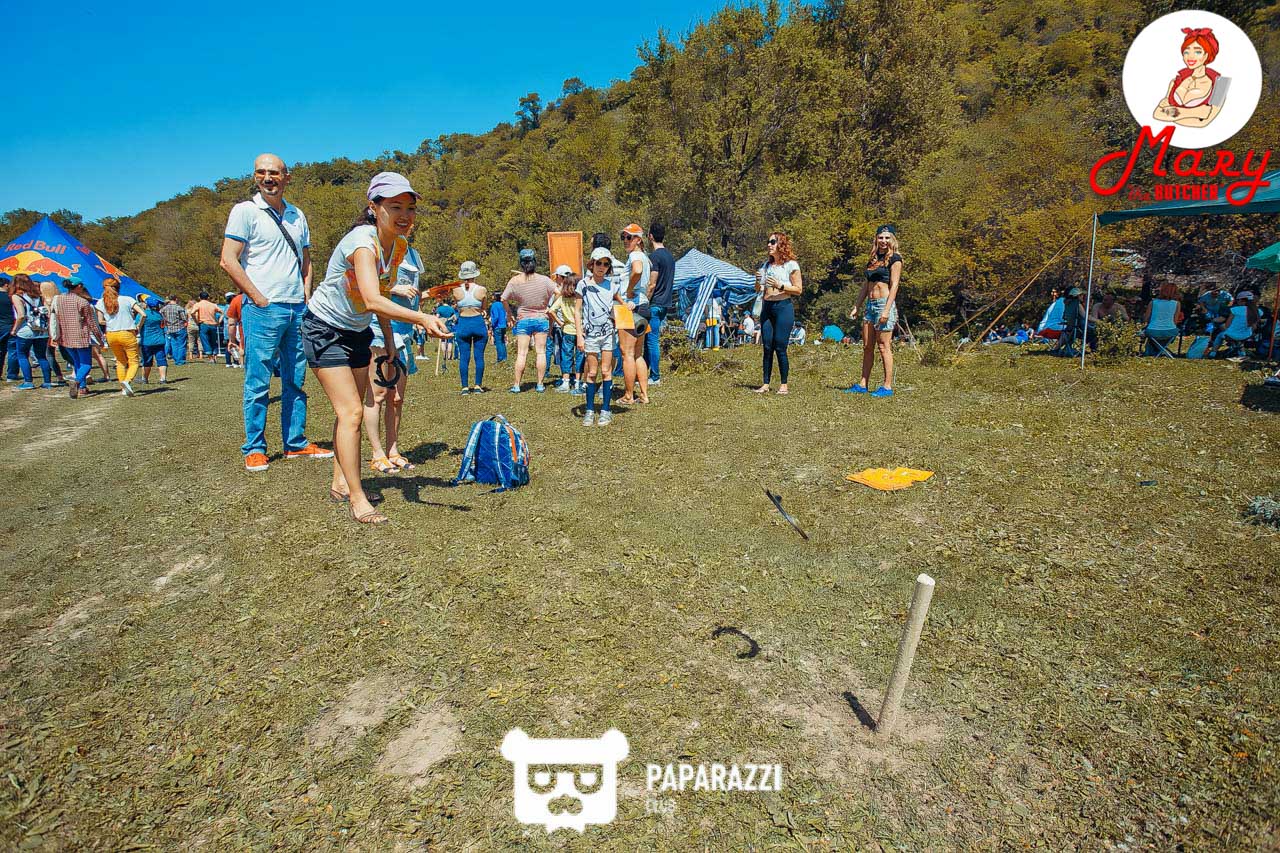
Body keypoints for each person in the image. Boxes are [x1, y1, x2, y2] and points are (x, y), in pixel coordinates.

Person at [304, 171, 449, 524]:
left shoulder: (398, 247)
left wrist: (388, 339)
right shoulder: (362, 243)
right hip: (324, 328)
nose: (404, 215)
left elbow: (382, 294)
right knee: (352, 412)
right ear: (374, 207)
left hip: (358, 332)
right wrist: (421, 318)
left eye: (410, 208)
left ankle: (341, 483)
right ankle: (358, 499)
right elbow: (370, 298)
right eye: (395, 207)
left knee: (349, 414)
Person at [221, 152, 331, 472]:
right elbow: (228, 259)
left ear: (286, 177)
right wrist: (258, 297)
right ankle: (255, 447)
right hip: (263, 309)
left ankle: (295, 443)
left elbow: (306, 260)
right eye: (261, 172)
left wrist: (306, 295)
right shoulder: (245, 211)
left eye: (274, 173)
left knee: (296, 379)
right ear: (255, 177)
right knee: (258, 381)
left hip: (297, 308)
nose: (268, 178)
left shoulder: (297, 215)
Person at [363, 231, 426, 473]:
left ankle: (393, 450)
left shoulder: (413, 255)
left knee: (397, 398)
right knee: (378, 394)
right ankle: (377, 453)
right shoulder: (378, 251)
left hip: (404, 332)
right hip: (379, 329)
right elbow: (368, 290)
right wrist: (395, 288)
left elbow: (415, 295)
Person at [847, 225, 902, 397]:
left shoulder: (895, 259)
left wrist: (886, 310)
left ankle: (887, 386)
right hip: (870, 306)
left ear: (892, 239)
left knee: (883, 346)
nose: (883, 241)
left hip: (883, 304)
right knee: (867, 346)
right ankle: (863, 384)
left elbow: (894, 285)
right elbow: (866, 284)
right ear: (876, 239)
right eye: (881, 237)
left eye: (887, 237)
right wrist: (857, 305)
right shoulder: (873, 258)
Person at [575, 248, 625, 426]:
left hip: (608, 334)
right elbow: (577, 310)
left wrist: (629, 306)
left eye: (606, 264)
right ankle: (589, 410)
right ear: (592, 264)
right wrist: (579, 335)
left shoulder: (611, 285)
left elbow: (622, 304)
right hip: (590, 335)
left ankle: (605, 410)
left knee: (606, 371)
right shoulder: (583, 285)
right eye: (599, 263)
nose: (602, 267)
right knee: (591, 372)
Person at [502, 248, 558, 393]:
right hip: (541, 318)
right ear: (535, 262)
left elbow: (503, 298)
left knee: (522, 353)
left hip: (523, 319)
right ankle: (540, 384)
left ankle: (516, 385)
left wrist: (509, 314)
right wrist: (551, 307)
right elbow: (559, 293)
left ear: (521, 263)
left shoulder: (515, 281)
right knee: (541, 352)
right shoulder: (544, 280)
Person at [754, 232, 802, 395]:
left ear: (781, 244)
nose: (769, 244)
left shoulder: (791, 265)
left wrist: (780, 285)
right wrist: (757, 281)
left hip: (783, 307)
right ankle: (765, 383)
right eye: (768, 242)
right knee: (767, 346)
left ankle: (784, 384)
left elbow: (798, 289)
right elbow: (759, 289)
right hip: (767, 307)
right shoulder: (766, 265)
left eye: (773, 242)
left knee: (780, 346)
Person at [51, 277, 103, 398]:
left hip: (65, 336)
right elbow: (91, 323)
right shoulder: (82, 302)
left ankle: (82, 388)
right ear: (78, 286)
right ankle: (77, 381)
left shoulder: (59, 299)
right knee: (86, 364)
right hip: (81, 336)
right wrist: (99, 338)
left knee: (77, 362)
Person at [617, 224, 651, 405]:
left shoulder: (635, 256)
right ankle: (644, 394)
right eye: (623, 237)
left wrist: (629, 290)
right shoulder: (645, 257)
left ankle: (629, 395)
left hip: (629, 307)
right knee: (638, 353)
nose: (625, 240)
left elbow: (637, 270)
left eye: (629, 237)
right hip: (643, 305)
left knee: (627, 353)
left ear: (638, 240)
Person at [95, 277, 145, 396]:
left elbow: (100, 321)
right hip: (127, 333)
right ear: (118, 288)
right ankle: (127, 381)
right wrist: (138, 326)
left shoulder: (101, 302)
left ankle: (123, 388)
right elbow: (143, 314)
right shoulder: (127, 299)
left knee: (120, 361)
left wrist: (111, 322)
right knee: (133, 361)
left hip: (111, 335)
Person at [10, 274, 54, 389]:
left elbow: (21, 315)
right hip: (41, 330)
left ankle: (28, 382)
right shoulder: (39, 296)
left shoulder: (17, 296)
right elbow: (48, 312)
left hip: (26, 330)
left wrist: (14, 329)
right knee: (42, 356)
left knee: (22, 355)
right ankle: (47, 381)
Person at [451, 261, 489, 394]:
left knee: (464, 357)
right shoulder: (482, 289)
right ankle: (478, 385)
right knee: (479, 357)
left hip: (463, 324)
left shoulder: (456, 290)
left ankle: (465, 387)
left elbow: (457, 306)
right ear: (475, 274)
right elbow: (484, 308)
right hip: (478, 323)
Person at [646, 223, 674, 384]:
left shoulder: (654, 257)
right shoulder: (670, 257)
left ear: (650, 236)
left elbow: (652, 284)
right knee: (650, 339)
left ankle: (655, 376)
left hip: (655, 303)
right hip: (665, 303)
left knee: (652, 340)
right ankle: (645, 372)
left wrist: (645, 300)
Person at [548, 265, 582, 393]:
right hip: (581, 331)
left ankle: (566, 381)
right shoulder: (580, 298)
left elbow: (551, 311)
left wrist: (560, 322)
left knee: (566, 356)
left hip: (567, 329)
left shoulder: (562, 298)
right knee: (580, 356)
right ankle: (578, 382)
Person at [37, 280, 69, 386]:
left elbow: (48, 317)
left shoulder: (44, 302)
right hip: (63, 328)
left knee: (49, 354)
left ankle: (59, 376)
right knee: (66, 353)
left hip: (50, 330)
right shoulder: (61, 299)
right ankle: (78, 370)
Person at [1142, 282, 1184, 355]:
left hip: (1152, 331)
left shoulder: (1153, 302)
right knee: (1167, 334)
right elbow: (1175, 321)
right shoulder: (1177, 304)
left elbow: (1146, 319)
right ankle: (1160, 350)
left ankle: (1153, 351)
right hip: (1170, 331)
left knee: (1152, 336)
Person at [139, 296, 169, 384]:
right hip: (160, 340)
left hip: (147, 341)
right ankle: (163, 379)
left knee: (147, 361)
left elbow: (137, 325)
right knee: (161, 359)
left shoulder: (143, 314)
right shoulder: (159, 315)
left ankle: (144, 378)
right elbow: (163, 326)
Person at [190, 291, 224, 365]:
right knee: (213, 341)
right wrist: (219, 321)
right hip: (213, 324)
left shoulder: (198, 304)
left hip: (203, 324)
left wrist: (196, 320)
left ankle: (210, 358)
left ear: (199, 297)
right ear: (208, 297)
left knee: (205, 341)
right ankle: (214, 356)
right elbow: (222, 312)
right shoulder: (213, 305)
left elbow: (192, 312)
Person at [161, 296, 188, 365]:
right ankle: (180, 360)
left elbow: (161, 316)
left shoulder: (164, 308)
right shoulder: (179, 308)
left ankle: (176, 358)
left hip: (169, 328)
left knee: (174, 344)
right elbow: (184, 318)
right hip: (180, 328)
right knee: (181, 344)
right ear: (176, 299)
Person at [0, 275, 16, 382]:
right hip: (10, 326)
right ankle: (12, 375)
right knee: (13, 351)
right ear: (6, 285)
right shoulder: (12, 297)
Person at [225, 291, 246, 368]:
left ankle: (241, 363)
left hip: (244, 329)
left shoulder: (237, 300)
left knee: (242, 346)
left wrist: (231, 340)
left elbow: (231, 323)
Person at [488, 297, 508, 363]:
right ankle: (504, 358)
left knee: (498, 343)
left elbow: (496, 316)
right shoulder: (503, 304)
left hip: (497, 326)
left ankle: (500, 359)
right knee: (503, 342)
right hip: (503, 325)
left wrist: (492, 324)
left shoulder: (494, 305)